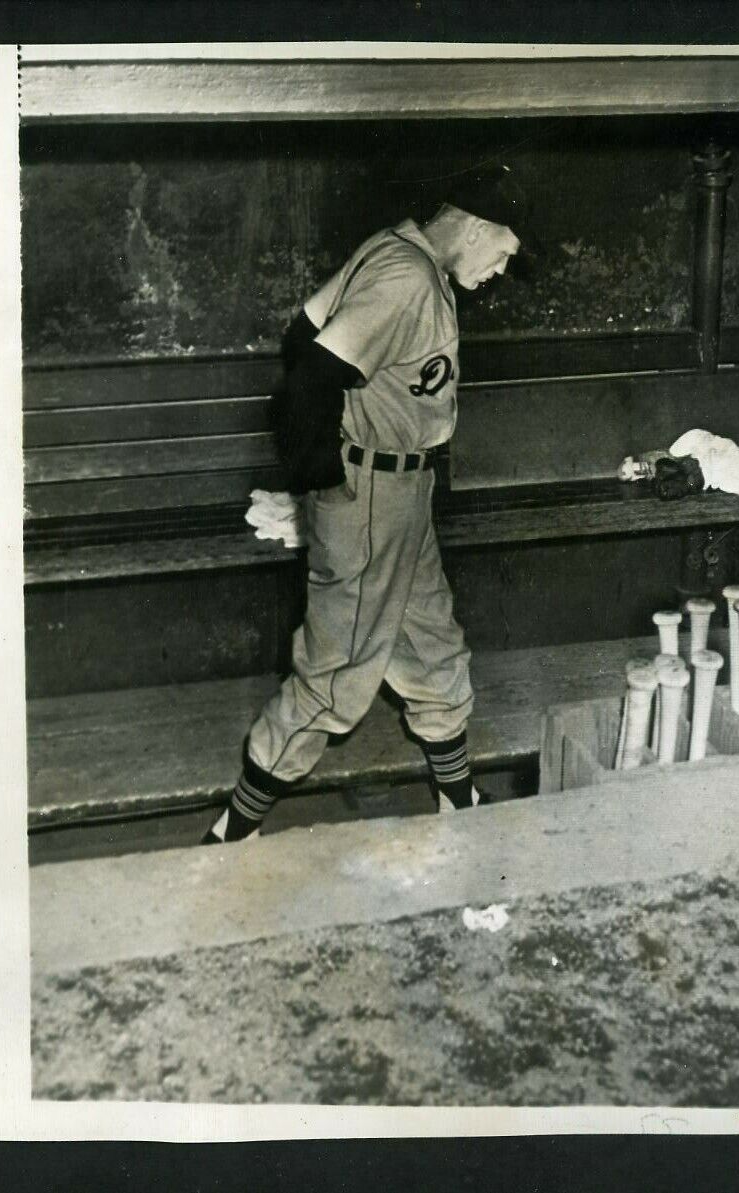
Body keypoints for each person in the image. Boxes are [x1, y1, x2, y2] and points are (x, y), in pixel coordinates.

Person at [202, 166, 529, 844]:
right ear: (471, 226)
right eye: (502, 251)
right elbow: (310, 377)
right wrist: (326, 479)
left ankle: (457, 797)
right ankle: (232, 832)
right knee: (335, 672)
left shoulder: (397, 246)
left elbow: (302, 333)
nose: (502, 268)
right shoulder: (407, 276)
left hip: (402, 491)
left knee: (430, 642)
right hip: (373, 489)